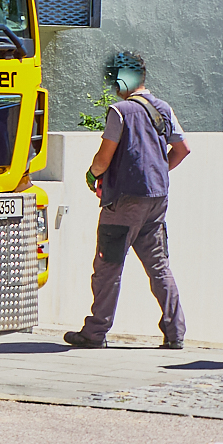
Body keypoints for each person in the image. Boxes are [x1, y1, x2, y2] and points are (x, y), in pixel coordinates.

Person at [64, 51, 189, 350]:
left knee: (108, 266)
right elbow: (183, 149)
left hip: (123, 201)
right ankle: (175, 333)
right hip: (157, 198)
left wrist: (93, 175)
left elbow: (103, 158)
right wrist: (157, 170)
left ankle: (95, 333)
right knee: (158, 265)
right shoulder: (163, 108)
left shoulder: (120, 111)